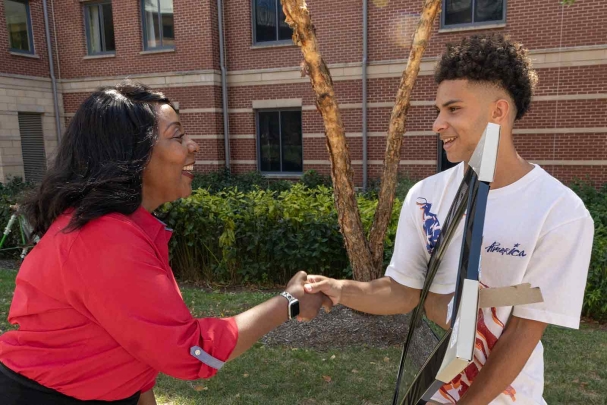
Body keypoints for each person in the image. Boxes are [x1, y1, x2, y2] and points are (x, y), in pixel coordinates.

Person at [304, 34, 594, 404]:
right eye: (438, 111)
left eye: (453, 109)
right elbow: (404, 290)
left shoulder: (560, 212)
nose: (437, 124)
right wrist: (339, 289)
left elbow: (523, 329)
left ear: (498, 112)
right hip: (433, 393)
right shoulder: (426, 196)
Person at [0, 82, 329, 405]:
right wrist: (289, 302)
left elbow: (133, 344)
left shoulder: (124, 229)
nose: (194, 146)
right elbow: (191, 352)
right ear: (133, 155)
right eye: (178, 136)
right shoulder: (104, 239)